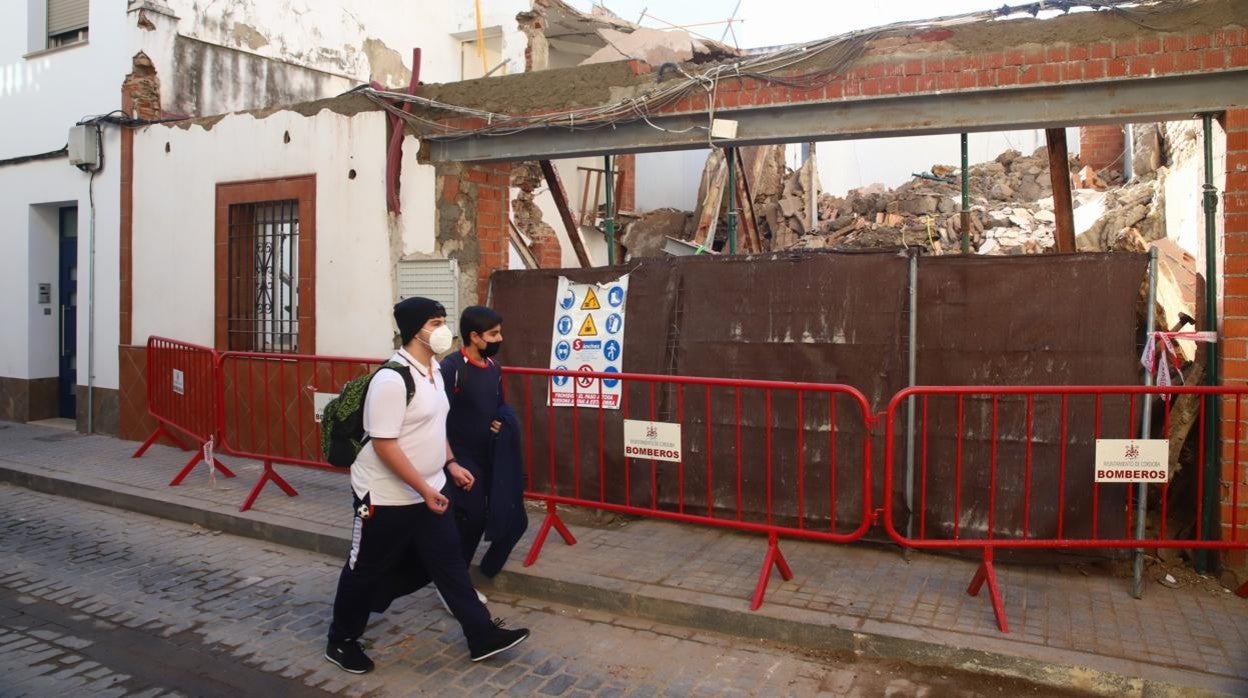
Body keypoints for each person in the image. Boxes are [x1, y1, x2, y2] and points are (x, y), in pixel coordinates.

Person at [324, 297, 529, 674]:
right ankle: (341, 640)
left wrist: (449, 464)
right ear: (416, 329)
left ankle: (480, 634)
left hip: (429, 488)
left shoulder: (434, 370)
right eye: (436, 323)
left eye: (443, 321)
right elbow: (385, 445)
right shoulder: (391, 379)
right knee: (364, 568)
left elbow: (435, 427)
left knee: (449, 563)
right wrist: (423, 488)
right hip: (385, 496)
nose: (443, 330)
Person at [441, 306, 528, 581]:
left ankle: (487, 569)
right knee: (473, 518)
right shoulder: (452, 368)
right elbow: (434, 419)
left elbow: (500, 406)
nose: (499, 339)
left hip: (490, 455)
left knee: (515, 516)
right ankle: (456, 582)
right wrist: (451, 463)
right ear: (475, 336)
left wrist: (504, 421)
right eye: (494, 334)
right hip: (461, 458)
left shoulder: (494, 368)